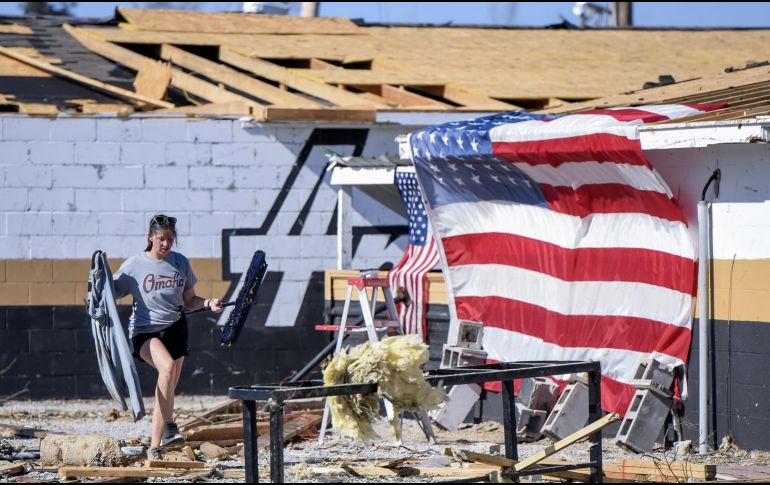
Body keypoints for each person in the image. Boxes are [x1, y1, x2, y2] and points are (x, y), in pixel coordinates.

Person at [113, 214, 223, 460]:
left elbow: (189, 300)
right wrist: (96, 285)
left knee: (167, 390)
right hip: (146, 332)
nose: (166, 244)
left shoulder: (180, 263)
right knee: (167, 368)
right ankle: (171, 427)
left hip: (176, 329)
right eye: (161, 239)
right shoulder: (133, 266)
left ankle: (155, 447)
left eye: (170, 239)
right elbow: (109, 293)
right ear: (150, 237)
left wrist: (208, 302)